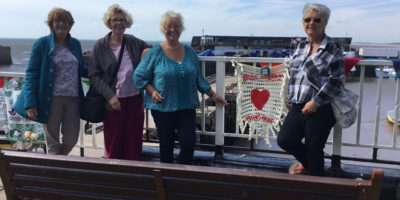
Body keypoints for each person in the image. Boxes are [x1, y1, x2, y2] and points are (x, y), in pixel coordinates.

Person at [133, 11, 227, 164]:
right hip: (162, 107)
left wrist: (213, 95)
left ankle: (182, 176)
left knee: (189, 143)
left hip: (186, 106)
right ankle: (165, 180)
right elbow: (138, 76)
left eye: (176, 26)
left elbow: (198, 78)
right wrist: (152, 90)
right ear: (163, 29)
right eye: (168, 26)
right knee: (166, 145)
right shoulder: (155, 52)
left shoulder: (190, 52)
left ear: (181, 28)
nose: (172, 30)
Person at [277, 3, 344, 176]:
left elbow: (336, 80)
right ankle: (315, 170)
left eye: (316, 20)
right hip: (298, 105)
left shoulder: (333, 48)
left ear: (324, 23)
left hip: (320, 108)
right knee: (285, 139)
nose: (311, 23)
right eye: (307, 19)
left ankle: (314, 182)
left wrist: (316, 101)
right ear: (302, 22)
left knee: (314, 148)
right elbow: (294, 75)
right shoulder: (300, 46)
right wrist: (290, 100)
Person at [14, 8, 88, 155]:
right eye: (57, 21)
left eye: (65, 21)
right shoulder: (42, 44)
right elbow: (31, 73)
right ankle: (56, 172)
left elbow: (81, 68)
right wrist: (30, 103)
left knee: (72, 138)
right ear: (51, 24)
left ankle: (57, 164)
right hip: (50, 99)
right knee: (53, 141)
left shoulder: (75, 44)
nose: (61, 24)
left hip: (73, 99)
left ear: (70, 24)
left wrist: (100, 73)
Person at [89, 4, 150, 160]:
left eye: (122, 20)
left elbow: (152, 49)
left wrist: (145, 53)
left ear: (126, 23)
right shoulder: (100, 46)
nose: (119, 23)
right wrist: (110, 96)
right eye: (114, 20)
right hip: (113, 101)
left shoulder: (132, 41)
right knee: (114, 142)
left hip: (135, 100)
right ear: (109, 23)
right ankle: (114, 178)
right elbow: (94, 75)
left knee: (134, 142)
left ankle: (132, 178)